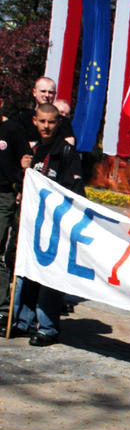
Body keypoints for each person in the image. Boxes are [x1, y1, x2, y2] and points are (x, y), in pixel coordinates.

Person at [13, 103, 84, 346]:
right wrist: (24, 170)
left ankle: (48, 328)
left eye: (51, 122)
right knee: (27, 274)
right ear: (34, 121)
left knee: (49, 279)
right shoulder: (35, 152)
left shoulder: (66, 152)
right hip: (33, 226)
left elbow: (76, 193)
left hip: (56, 229)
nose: (46, 126)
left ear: (58, 122)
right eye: (42, 121)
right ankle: (23, 321)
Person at [0, 102, 31, 332]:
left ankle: (2, 309)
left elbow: (25, 160)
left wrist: (21, 188)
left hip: (4, 195)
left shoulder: (12, 129)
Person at [14, 77, 75, 147]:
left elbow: (69, 144)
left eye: (51, 92)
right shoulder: (22, 119)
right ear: (34, 92)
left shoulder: (63, 122)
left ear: (55, 94)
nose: (46, 95)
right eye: (43, 91)